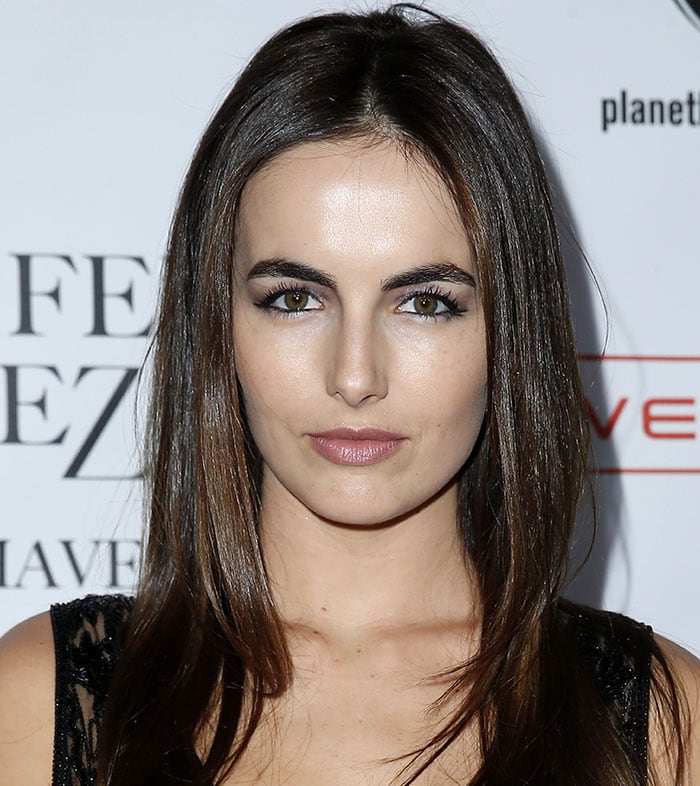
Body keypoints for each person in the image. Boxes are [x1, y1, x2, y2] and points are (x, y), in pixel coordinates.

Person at [0, 4, 698, 785]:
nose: (355, 376)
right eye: (296, 299)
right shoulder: (43, 701)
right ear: (218, 323)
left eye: (424, 302)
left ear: (510, 331)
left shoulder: (661, 726)